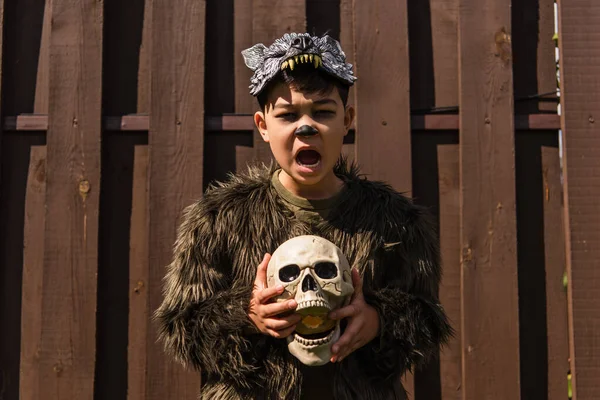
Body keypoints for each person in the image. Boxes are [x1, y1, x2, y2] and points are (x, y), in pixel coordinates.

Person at [154, 32, 452, 400]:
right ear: (263, 126)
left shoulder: (396, 221)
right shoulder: (217, 220)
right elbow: (181, 326)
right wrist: (245, 315)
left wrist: (379, 322)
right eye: (288, 115)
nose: (306, 127)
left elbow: (427, 320)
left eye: (323, 112)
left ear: (348, 120)